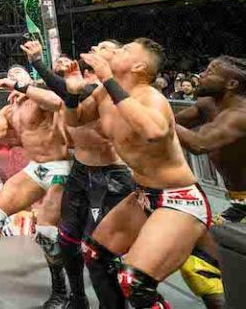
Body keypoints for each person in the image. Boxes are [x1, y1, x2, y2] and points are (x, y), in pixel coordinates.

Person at [65, 39, 208, 309]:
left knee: (136, 283)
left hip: (178, 198)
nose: (117, 51)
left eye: (125, 50)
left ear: (138, 65)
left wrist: (107, 77)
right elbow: (74, 120)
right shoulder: (103, 95)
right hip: (142, 195)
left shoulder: (152, 98)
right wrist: (71, 94)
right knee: (95, 253)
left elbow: (153, 132)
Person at [23, 39, 137, 309]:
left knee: (99, 250)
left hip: (110, 174)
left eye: (105, 46)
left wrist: (38, 64)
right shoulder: (81, 86)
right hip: (80, 171)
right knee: (67, 239)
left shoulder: (108, 88)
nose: (96, 46)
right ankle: (77, 297)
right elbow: (62, 99)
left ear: (119, 56)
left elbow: (70, 93)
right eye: (95, 45)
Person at [0, 66, 71, 308]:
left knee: (47, 233)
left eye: (19, 73)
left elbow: (57, 103)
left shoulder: (40, 97)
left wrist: (24, 87)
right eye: (10, 74)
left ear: (29, 78)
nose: (13, 76)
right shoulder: (10, 110)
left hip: (60, 169)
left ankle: (61, 290)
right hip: (35, 168)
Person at [172, 55, 246, 308]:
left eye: (211, 71)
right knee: (200, 265)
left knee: (205, 264)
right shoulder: (207, 105)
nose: (202, 74)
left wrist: (152, 117)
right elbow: (172, 124)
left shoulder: (240, 114)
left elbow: (199, 143)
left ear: (232, 84)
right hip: (238, 202)